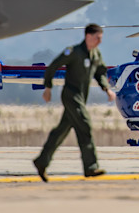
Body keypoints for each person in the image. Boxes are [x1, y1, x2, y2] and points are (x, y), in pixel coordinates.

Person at [33, 23, 116, 181]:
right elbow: (53, 66)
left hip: (81, 97)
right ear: (88, 37)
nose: (100, 41)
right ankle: (91, 167)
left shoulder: (96, 54)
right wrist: (48, 88)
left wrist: (106, 89)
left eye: (101, 38)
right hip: (71, 96)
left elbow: (100, 73)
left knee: (61, 131)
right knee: (85, 125)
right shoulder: (74, 52)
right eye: (97, 38)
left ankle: (41, 161)